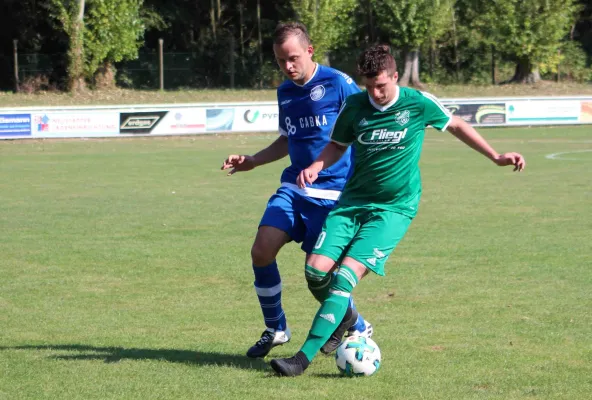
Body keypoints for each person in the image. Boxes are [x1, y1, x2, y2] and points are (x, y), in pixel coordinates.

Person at [270, 44, 526, 376]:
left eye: (382, 86)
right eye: (369, 86)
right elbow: (337, 145)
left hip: (392, 210)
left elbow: (457, 125)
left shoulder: (418, 103)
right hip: (351, 204)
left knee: (343, 279)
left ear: (395, 76)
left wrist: (495, 156)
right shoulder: (355, 105)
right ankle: (344, 319)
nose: (375, 93)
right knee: (316, 271)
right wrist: (318, 165)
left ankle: (300, 359)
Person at [221, 22, 373, 359]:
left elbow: (363, 133)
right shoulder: (285, 92)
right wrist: (253, 161)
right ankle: (276, 328)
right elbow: (288, 139)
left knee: (318, 275)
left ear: (309, 51)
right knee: (261, 250)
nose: (288, 67)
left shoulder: (339, 84)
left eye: (292, 58)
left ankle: (357, 325)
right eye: (280, 61)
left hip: (334, 195)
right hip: (294, 187)